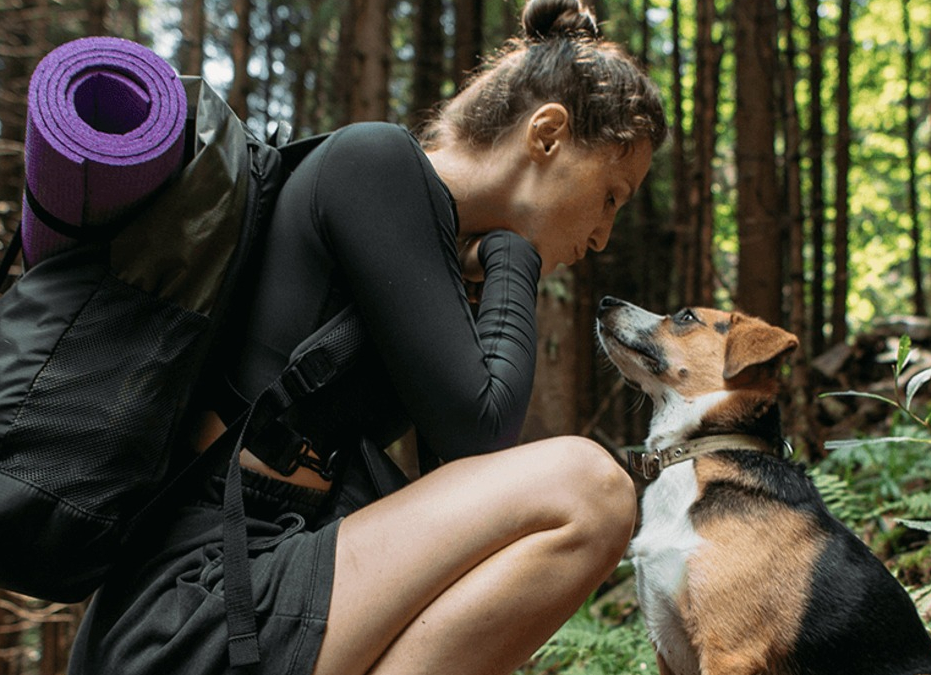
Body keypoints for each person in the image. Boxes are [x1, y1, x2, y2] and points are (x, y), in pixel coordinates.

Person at [68, 0, 667, 673]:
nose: (601, 237)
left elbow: (462, 483)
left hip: (267, 577)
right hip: (201, 596)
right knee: (592, 490)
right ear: (547, 134)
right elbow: (483, 430)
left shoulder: (435, 254)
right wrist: (514, 255)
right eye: (611, 195)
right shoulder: (374, 164)